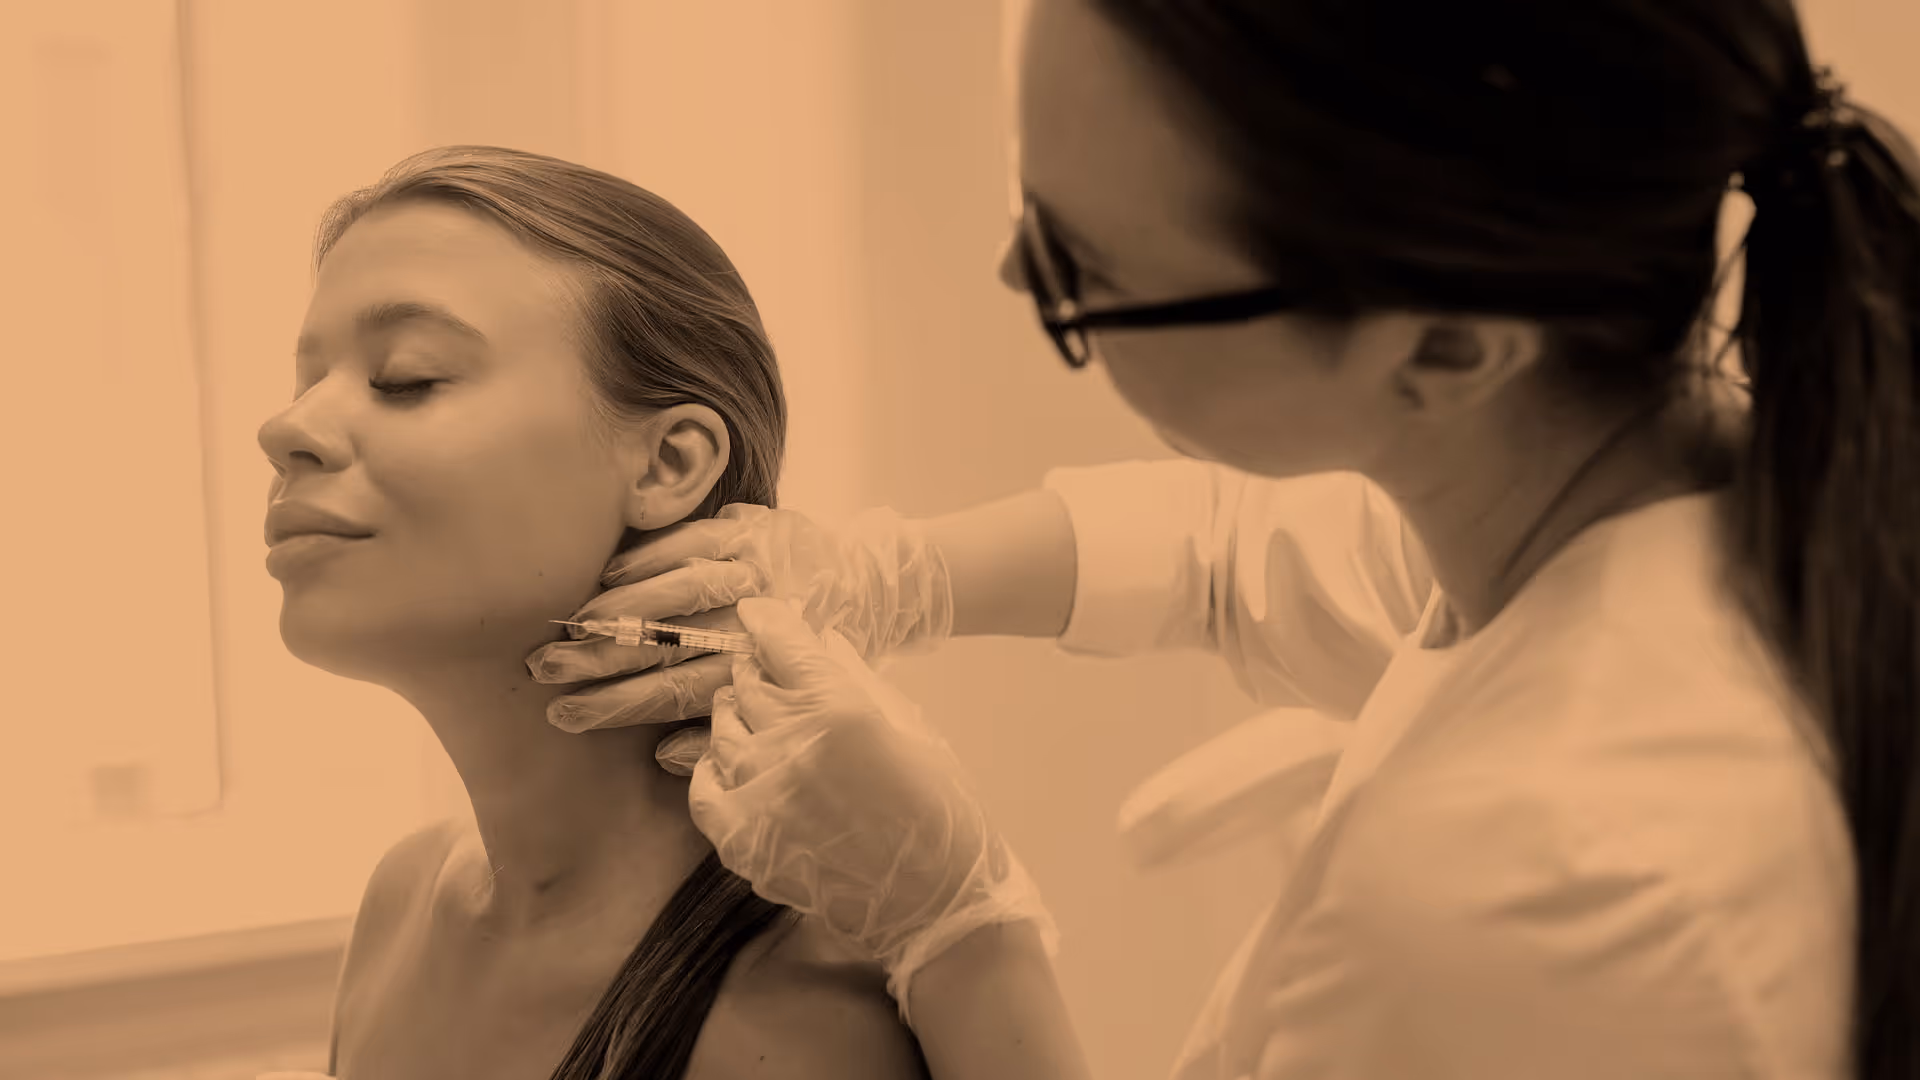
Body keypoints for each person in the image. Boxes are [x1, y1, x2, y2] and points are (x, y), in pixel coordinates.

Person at [528, 0, 1920, 1077]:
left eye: (1087, 270)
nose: (1017, 272)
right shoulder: (1676, 470)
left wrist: (957, 927)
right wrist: (885, 574)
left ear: (1443, 345)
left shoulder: (1532, 883)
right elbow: (1226, 545)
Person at [256, 145, 928, 1080]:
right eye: (305, 382)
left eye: (405, 376)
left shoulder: (801, 1011)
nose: (285, 429)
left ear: (668, 466)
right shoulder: (402, 903)